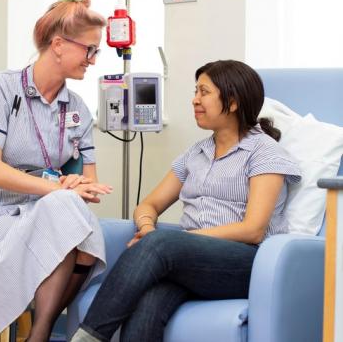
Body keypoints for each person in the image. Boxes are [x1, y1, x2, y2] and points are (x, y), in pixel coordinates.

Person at [71, 60, 302, 342]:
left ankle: (87, 338)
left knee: (162, 244)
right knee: (148, 306)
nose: (194, 100)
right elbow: (148, 205)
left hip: (246, 261)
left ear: (232, 102)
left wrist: (179, 243)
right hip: (191, 262)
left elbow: (253, 229)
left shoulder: (265, 151)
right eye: (196, 91)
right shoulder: (196, 153)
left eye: (204, 92)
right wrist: (147, 228)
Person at [0, 0, 113, 341]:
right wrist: (58, 187)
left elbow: (91, 182)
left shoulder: (78, 109)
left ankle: (38, 332)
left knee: (86, 232)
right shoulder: (0, 88)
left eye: (96, 50)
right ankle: (41, 335)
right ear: (59, 44)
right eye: (89, 49)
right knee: (61, 214)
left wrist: (76, 186)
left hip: (48, 207)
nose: (93, 59)